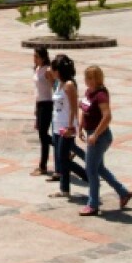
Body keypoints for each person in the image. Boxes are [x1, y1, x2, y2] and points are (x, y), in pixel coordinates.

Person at [78, 65, 132, 216]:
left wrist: (95, 134)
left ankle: (93, 204)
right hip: (91, 134)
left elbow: (107, 116)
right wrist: (80, 127)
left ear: (97, 78)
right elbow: (84, 109)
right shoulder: (89, 92)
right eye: (86, 77)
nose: (87, 81)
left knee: (91, 170)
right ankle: (123, 192)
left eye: (90, 78)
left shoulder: (101, 95)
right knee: (99, 168)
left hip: (100, 137)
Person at [48, 54, 86, 198]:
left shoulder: (69, 85)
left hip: (67, 126)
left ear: (59, 70)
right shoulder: (59, 84)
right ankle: (64, 189)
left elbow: (73, 106)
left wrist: (71, 125)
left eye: (54, 69)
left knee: (63, 158)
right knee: (60, 157)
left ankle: (84, 175)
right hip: (58, 125)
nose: (52, 71)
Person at [31, 46, 54, 176]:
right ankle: (65, 149)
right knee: (42, 134)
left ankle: (43, 165)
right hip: (40, 104)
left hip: (47, 103)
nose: (34, 58)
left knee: (43, 135)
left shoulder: (47, 70)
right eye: (34, 56)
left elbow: (54, 86)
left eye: (37, 56)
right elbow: (37, 91)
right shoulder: (37, 69)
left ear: (43, 57)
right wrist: (35, 108)